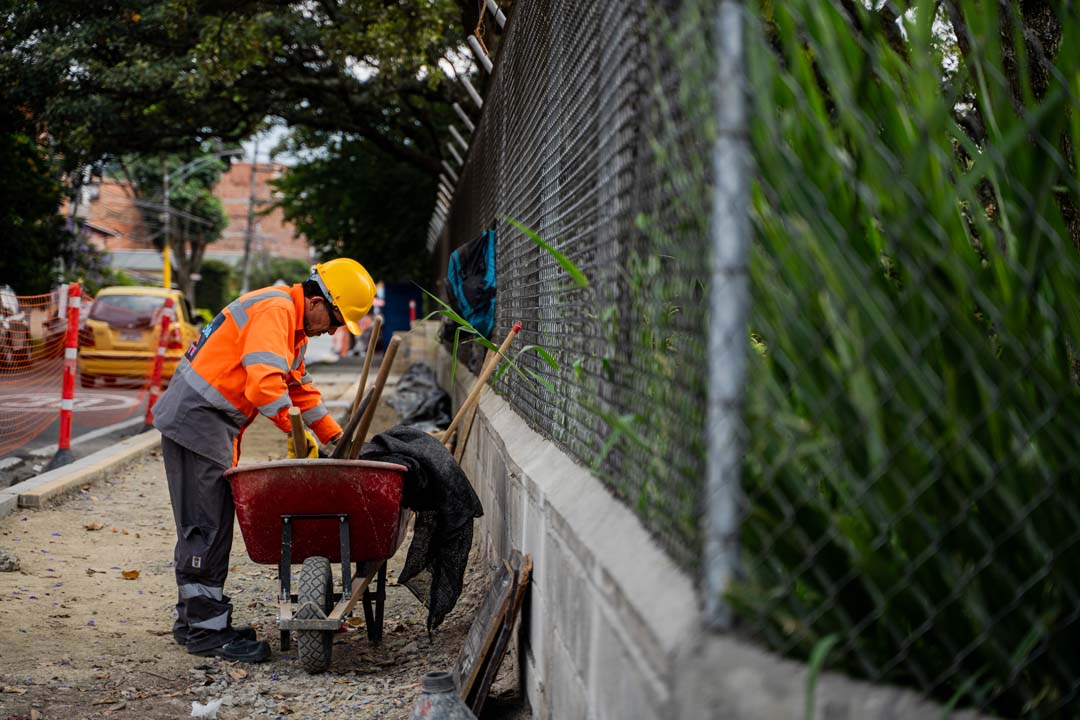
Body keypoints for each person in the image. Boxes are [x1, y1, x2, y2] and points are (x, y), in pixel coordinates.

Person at [152, 258, 376, 662]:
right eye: (336, 321)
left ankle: (196, 622)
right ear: (317, 301)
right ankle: (206, 631)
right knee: (207, 525)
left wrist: (335, 439)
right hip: (197, 419)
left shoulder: (292, 329)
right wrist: (299, 437)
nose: (332, 330)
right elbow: (265, 387)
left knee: (209, 522)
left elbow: (299, 389)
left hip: (209, 421)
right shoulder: (275, 311)